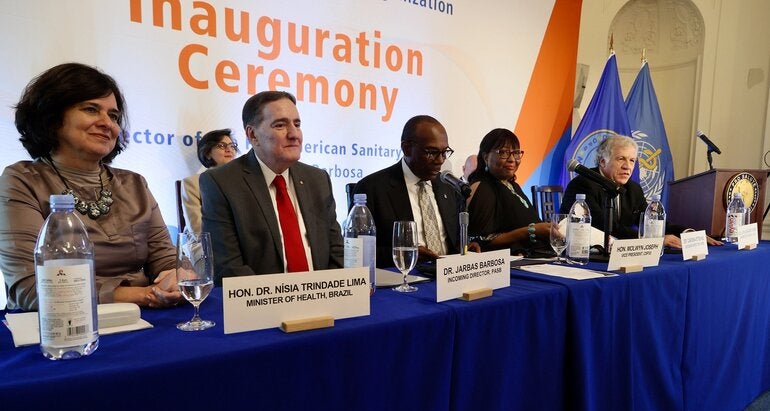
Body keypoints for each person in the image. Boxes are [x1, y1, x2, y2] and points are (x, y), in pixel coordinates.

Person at [0, 62, 181, 311]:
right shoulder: (22, 180)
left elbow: (166, 259)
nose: (107, 123)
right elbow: (31, 289)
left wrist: (175, 279)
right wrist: (142, 294)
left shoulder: (134, 183)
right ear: (52, 117)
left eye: (114, 116)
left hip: (140, 319)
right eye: (91, 109)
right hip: (58, 331)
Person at [199, 91, 343, 283]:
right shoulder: (221, 182)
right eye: (280, 125)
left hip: (322, 302)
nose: (294, 134)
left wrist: (328, 295)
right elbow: (228, 267)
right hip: (261, 306)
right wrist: (284, 303)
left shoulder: (317, 179)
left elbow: (337, 251)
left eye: (297, 124)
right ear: (253, 135)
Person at [560, 134, 722, 248]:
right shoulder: (583, 184)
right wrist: (655, 240)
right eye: (621, 158)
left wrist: (689, 234)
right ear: (603, 162)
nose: (627, 166)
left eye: (632, 160)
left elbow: (651, 221)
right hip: (582, 255)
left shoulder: (633, 188)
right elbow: (606, 228)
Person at [353, 115, 467, 268]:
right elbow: (357, 252)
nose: (440, 160)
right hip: (402, 278)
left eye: (444, 152)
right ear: (406, 148)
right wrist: (405, 254)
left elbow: (453, 241)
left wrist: (465, 247)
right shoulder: (372, 188)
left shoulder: (448, 186)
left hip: (448, 276)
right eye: (432, 152)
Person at [466, 128, 552, 254]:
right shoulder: (483, 187)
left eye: (516, 153)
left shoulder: (513, 186)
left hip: (533, 258)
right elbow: (482, 241)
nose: (512, 159)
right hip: (507, 265)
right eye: (504, 152)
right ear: (485, 157)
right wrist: (531, 230)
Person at [181, 129, 238, 234]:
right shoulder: (192, 183)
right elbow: (198, 229)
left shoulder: (242, 181)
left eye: (232, 146)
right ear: (207, 153)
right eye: (221, 146)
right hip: (207, 244)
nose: (229, 149)